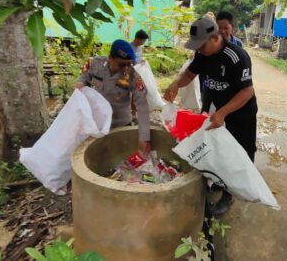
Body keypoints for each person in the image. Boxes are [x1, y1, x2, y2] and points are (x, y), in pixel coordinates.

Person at [164, 17, 257, 216]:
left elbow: (246, 92)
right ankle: (220, 180)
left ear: (215, 38)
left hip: (240, 112)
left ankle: (229, 193)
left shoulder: (236, 56)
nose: (199, 50)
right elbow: (189, 75)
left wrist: (223, 113)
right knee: (217, 149)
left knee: (238, 151)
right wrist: (175, 83)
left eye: (201, 45)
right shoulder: (203, 55)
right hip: (217, 109)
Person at [74, 39, 151, 152]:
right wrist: (80, 85)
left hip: (121, 124)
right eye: (121, 64)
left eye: (129, 64)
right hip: (99, 124)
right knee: (101, 155)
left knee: (122, 155)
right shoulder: (95, 64)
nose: (125, 68)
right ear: (110, 58)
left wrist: (144, 137)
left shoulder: (133, 76)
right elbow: (83, 79)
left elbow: (143, 105)